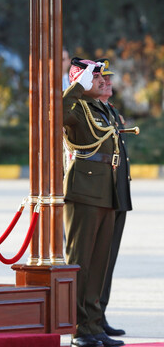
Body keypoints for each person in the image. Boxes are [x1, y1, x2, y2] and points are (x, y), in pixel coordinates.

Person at [62, 58, 124, 347]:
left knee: (99, 263)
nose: (101, 80)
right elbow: (56, 114)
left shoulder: (100, 108)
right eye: (95, 76)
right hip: (84, 190)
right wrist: (76, 87)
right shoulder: (76, 106)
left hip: (106, 190)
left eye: (101, 76)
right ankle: (78, 328)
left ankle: (94, 326)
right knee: (81, 262)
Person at [96, 59, 131, 338]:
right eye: (101, 78)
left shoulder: (111, 111)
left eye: (109, 77)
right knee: (94, 261)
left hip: (116, 194)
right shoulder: (87, 111)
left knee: (108, 261)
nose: (107, 81)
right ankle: (89, 318)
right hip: (97, 195)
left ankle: (100, 314)